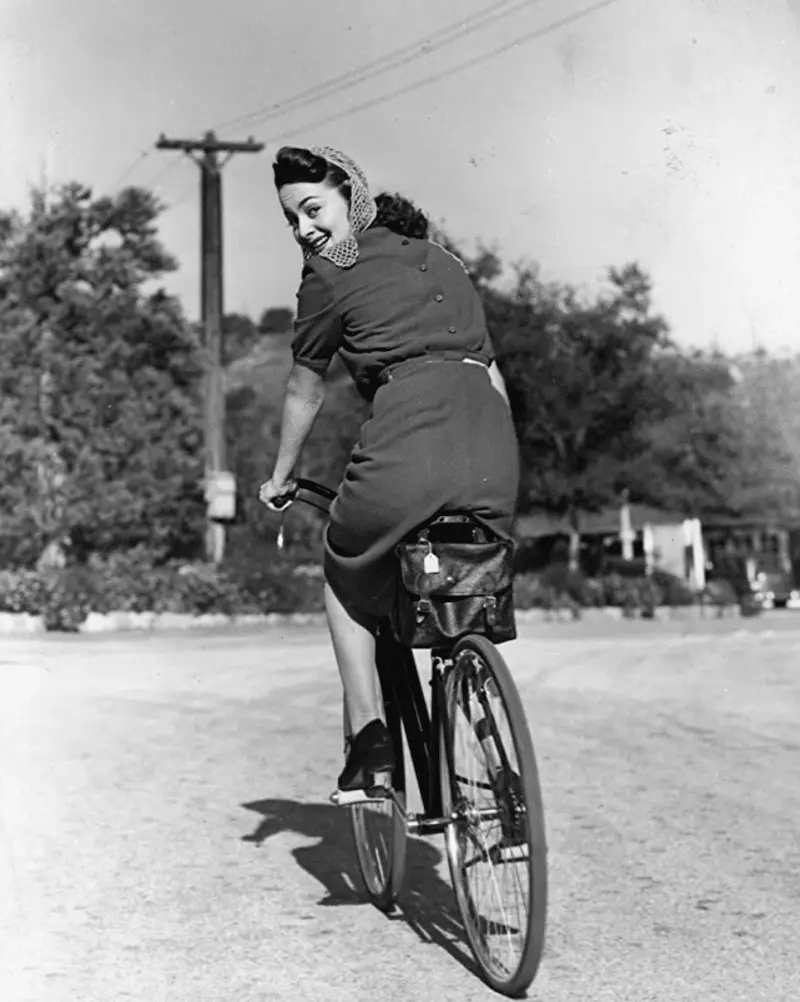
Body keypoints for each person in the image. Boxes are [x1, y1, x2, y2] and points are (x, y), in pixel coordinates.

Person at [259, 145, 519, 791]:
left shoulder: (327, 273)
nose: (306, 229)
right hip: (493, 448)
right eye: (294, 220)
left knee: (345, 569)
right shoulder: (449, 263)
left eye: (313, 208)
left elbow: (304, 388)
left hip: (410, 441)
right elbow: (492, 374)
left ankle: (372, 738)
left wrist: (280, 475)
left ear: (353, 192)